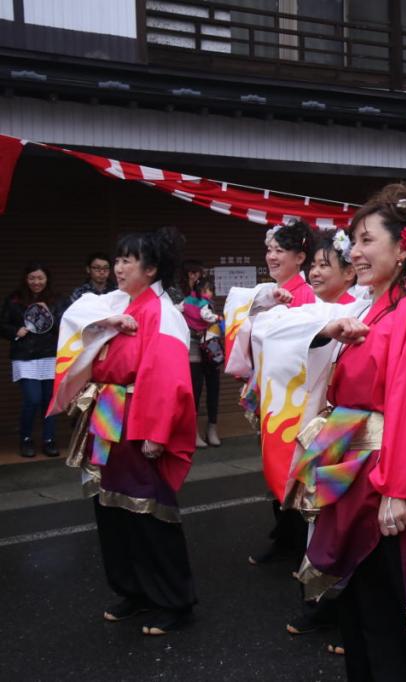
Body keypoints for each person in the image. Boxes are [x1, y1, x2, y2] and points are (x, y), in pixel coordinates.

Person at [291, 184, 406, 680]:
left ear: (403, 248)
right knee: (360, 599)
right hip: (354, 471)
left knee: (395, 602)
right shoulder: (362, 312)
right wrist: (328, 337)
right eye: (353, 241)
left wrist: (400, 488)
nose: (355, 251)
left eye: (367, 240)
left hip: (383, 476)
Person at [48, 227, 197, 635]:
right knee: (111, 508)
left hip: (139, 417)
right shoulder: (119, 303)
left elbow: (169, 378)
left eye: (127, 260)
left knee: (150, 511)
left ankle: (174, 599)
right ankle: (133, 589)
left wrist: (157, 432)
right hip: (109, 415)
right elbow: (78, 315)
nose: (118, 267)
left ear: (151, 269)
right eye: (117, 259)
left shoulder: (162, 312)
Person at [224, 219, 317, 566]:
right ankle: (285, 535)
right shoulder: (265, 293)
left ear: (300, 257)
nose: (272, 256)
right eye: (270, 250)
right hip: (272, 392)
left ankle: (298, 541)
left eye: (280, 250)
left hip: (294, 398)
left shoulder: (307, 296)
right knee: (274, 464)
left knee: (292, 467)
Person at [1, 263, 64, 457]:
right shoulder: (14, 299)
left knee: (49, 400)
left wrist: (49, 314)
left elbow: (65, 325)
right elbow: (2, 324)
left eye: (40, 278)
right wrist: (15, 331)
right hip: (24, 355)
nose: (36, 282)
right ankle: (26, 439)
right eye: (32, 278)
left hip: (50, 355)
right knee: (32, 399)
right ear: (26, 279)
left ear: (47, 279)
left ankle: (49, 440)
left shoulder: (57, 299)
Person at [182, 276, 223, 448]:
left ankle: (212, 428)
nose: (209, 293)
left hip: (211, 346)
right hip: (193, 348)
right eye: (206, 289)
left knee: (214, 387)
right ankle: (194, 431)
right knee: (195, 390)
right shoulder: (187, 301)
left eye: (210, 289)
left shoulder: (207, 303)